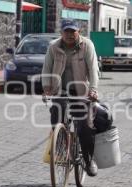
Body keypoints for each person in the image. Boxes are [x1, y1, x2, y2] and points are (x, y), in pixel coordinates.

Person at [42, 19, 99, 176]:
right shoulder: (54, 47)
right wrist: (46, 86)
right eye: (66, 31)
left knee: (85, 126)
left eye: (72, 31)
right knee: (56, 114)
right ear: (61, 33)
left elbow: (94, 70)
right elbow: (46, 67)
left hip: (81, 91)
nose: (69, 35)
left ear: (78, 32)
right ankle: (60, 147)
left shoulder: (87, 45)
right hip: (60, 90)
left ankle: (88, 160)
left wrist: (93, 89)